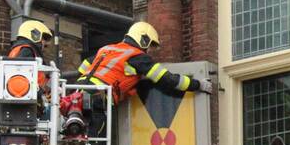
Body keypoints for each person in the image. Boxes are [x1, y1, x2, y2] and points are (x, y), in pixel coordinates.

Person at [77, 21, 213, 105]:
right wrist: (198, 84)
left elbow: (84, 66)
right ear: (144, 39)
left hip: (78, 91)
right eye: (149, 45)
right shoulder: (138, 56)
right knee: (95, 144)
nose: (148, 50)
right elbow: (168, 79)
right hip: (99, 97)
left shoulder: (107, 49)